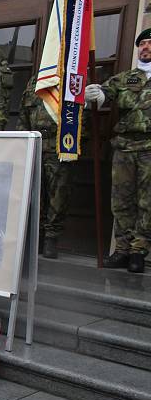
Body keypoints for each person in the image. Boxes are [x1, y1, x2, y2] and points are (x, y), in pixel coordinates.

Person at [84, 28, 151, 273]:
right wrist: (98, 94)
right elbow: (106, 92)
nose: (145, 47)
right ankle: (122, 250)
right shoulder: (126, 78)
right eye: (142, 43)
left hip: (149, 148)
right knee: (121, 200)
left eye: (150, 43)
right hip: (124, 146)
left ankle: (138, 251)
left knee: (147, 202)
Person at [18, 73, 74, 259]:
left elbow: (80, 116)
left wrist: (74, 144)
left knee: (57, 195)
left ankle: (51, 238)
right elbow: (23, 116)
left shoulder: (70, 78)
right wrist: (23, 143)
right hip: (35, 146)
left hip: (59, 148)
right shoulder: (35, 81)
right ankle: (37, 236)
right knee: (35, 194)